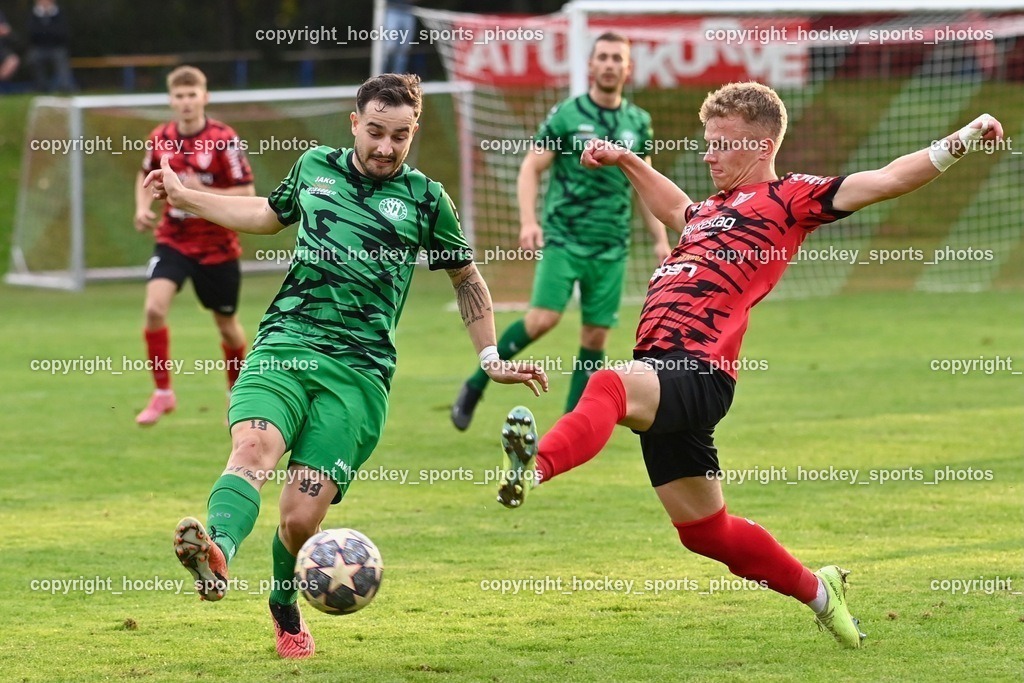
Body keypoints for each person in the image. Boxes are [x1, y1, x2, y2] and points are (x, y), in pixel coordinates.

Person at [494, 81, 1003, 649]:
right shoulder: (708, 210)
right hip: (665, 370)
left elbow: (885, 180)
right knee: (705, 534)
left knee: (609, 385)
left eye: (720, 144)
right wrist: (624, 159)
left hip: (698, 370)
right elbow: (671, 205)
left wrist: (963, 139)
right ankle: (821, 592)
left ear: (761, 146)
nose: (707, 154)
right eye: (707, 142)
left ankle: (532, 467)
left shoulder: (790, 199)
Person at [145, 73, 548, 659]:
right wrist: (185, 198)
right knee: (251, 452)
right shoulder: (314, 167)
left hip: (358, 373)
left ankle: (283, 604)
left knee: (301, 517)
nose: (386, 147)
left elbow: (466, 277)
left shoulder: (426, 199)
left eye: (400, 136)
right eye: (376, 132)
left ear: (414, 133)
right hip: (285, 343)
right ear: (354, 122)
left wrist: (489, 357)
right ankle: (218, 553)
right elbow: (266, 213)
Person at [450, 32, 671, 430]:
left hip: (611, 246)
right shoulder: (567, 115)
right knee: (542, 320)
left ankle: (573, 428)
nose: (608, 64)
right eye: (601, 57)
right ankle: (477, 382)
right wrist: (529, 220)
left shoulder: (639, 122)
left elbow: (646, 184)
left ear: (627, 68)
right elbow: (531, 167)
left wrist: (660, 238)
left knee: (596, 337)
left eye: (616, 58)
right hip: (565, 239)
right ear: (590, 65)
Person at [133, 66, 254, 426]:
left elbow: (247, 192)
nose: (186, 102)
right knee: (154, 309)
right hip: (174, 240)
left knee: (227, 325)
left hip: (218, 246)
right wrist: (142, 209)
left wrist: (196, 192)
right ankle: (163, 394)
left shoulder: (224, 138)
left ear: (205, 97)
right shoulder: (161, 137)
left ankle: (237, 395)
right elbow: (145, 174)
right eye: (179, 96)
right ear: (171, 100)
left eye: (192, 94)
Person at [25, 0, 72, 92]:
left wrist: (44, 32)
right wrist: (48, 32)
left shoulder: (60, 14)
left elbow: (63, 33)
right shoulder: (33, 15)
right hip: (39, 48)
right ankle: (41, 86)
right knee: (33, 58)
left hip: (57, 47)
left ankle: (65, 86)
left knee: (61, 57)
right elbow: (32, 34)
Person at [0, 10, 20, 82]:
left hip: (2, 49)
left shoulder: (1, 15)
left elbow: (15, 39)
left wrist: (7, 32)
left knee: (13, 60)